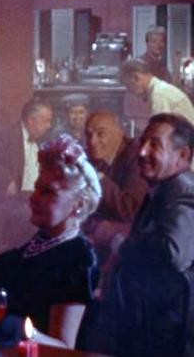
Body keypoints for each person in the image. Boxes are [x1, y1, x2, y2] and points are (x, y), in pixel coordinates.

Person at [0, 135, 101, 350]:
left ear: (79, 204)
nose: (34, 197)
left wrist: (22, 330)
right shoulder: (20, 253)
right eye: (37, 188)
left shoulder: (76, 258)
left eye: (48, 191)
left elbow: (63, 347)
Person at [88, 113, 194, 357]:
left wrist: (116, 239)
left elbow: (172, 253)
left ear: (183, 155)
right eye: (143, 142)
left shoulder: (183, 192)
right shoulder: (163, 189)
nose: (142, 152)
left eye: (155, 144)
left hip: (166, 339)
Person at [0, 98, 54, 250]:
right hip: (10, 202)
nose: (49, 125)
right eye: (46, 121)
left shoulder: (43, 141)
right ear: (32, 120)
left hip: (34, 198)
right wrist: (6, 181)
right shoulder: (6, 136)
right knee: (29, 217)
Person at [82, 110, 147, 269]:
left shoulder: (137, 157)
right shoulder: (92, 156)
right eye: (89, 135)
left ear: (120, 133)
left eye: (101, 134)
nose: (92, 141)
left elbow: (129, 209)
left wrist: (97, 177)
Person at [121, 58, 194, 125]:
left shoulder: (158, 94)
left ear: (136, 77)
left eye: (128, 85)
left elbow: (159, 128)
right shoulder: (159, 89)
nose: (130, 91)